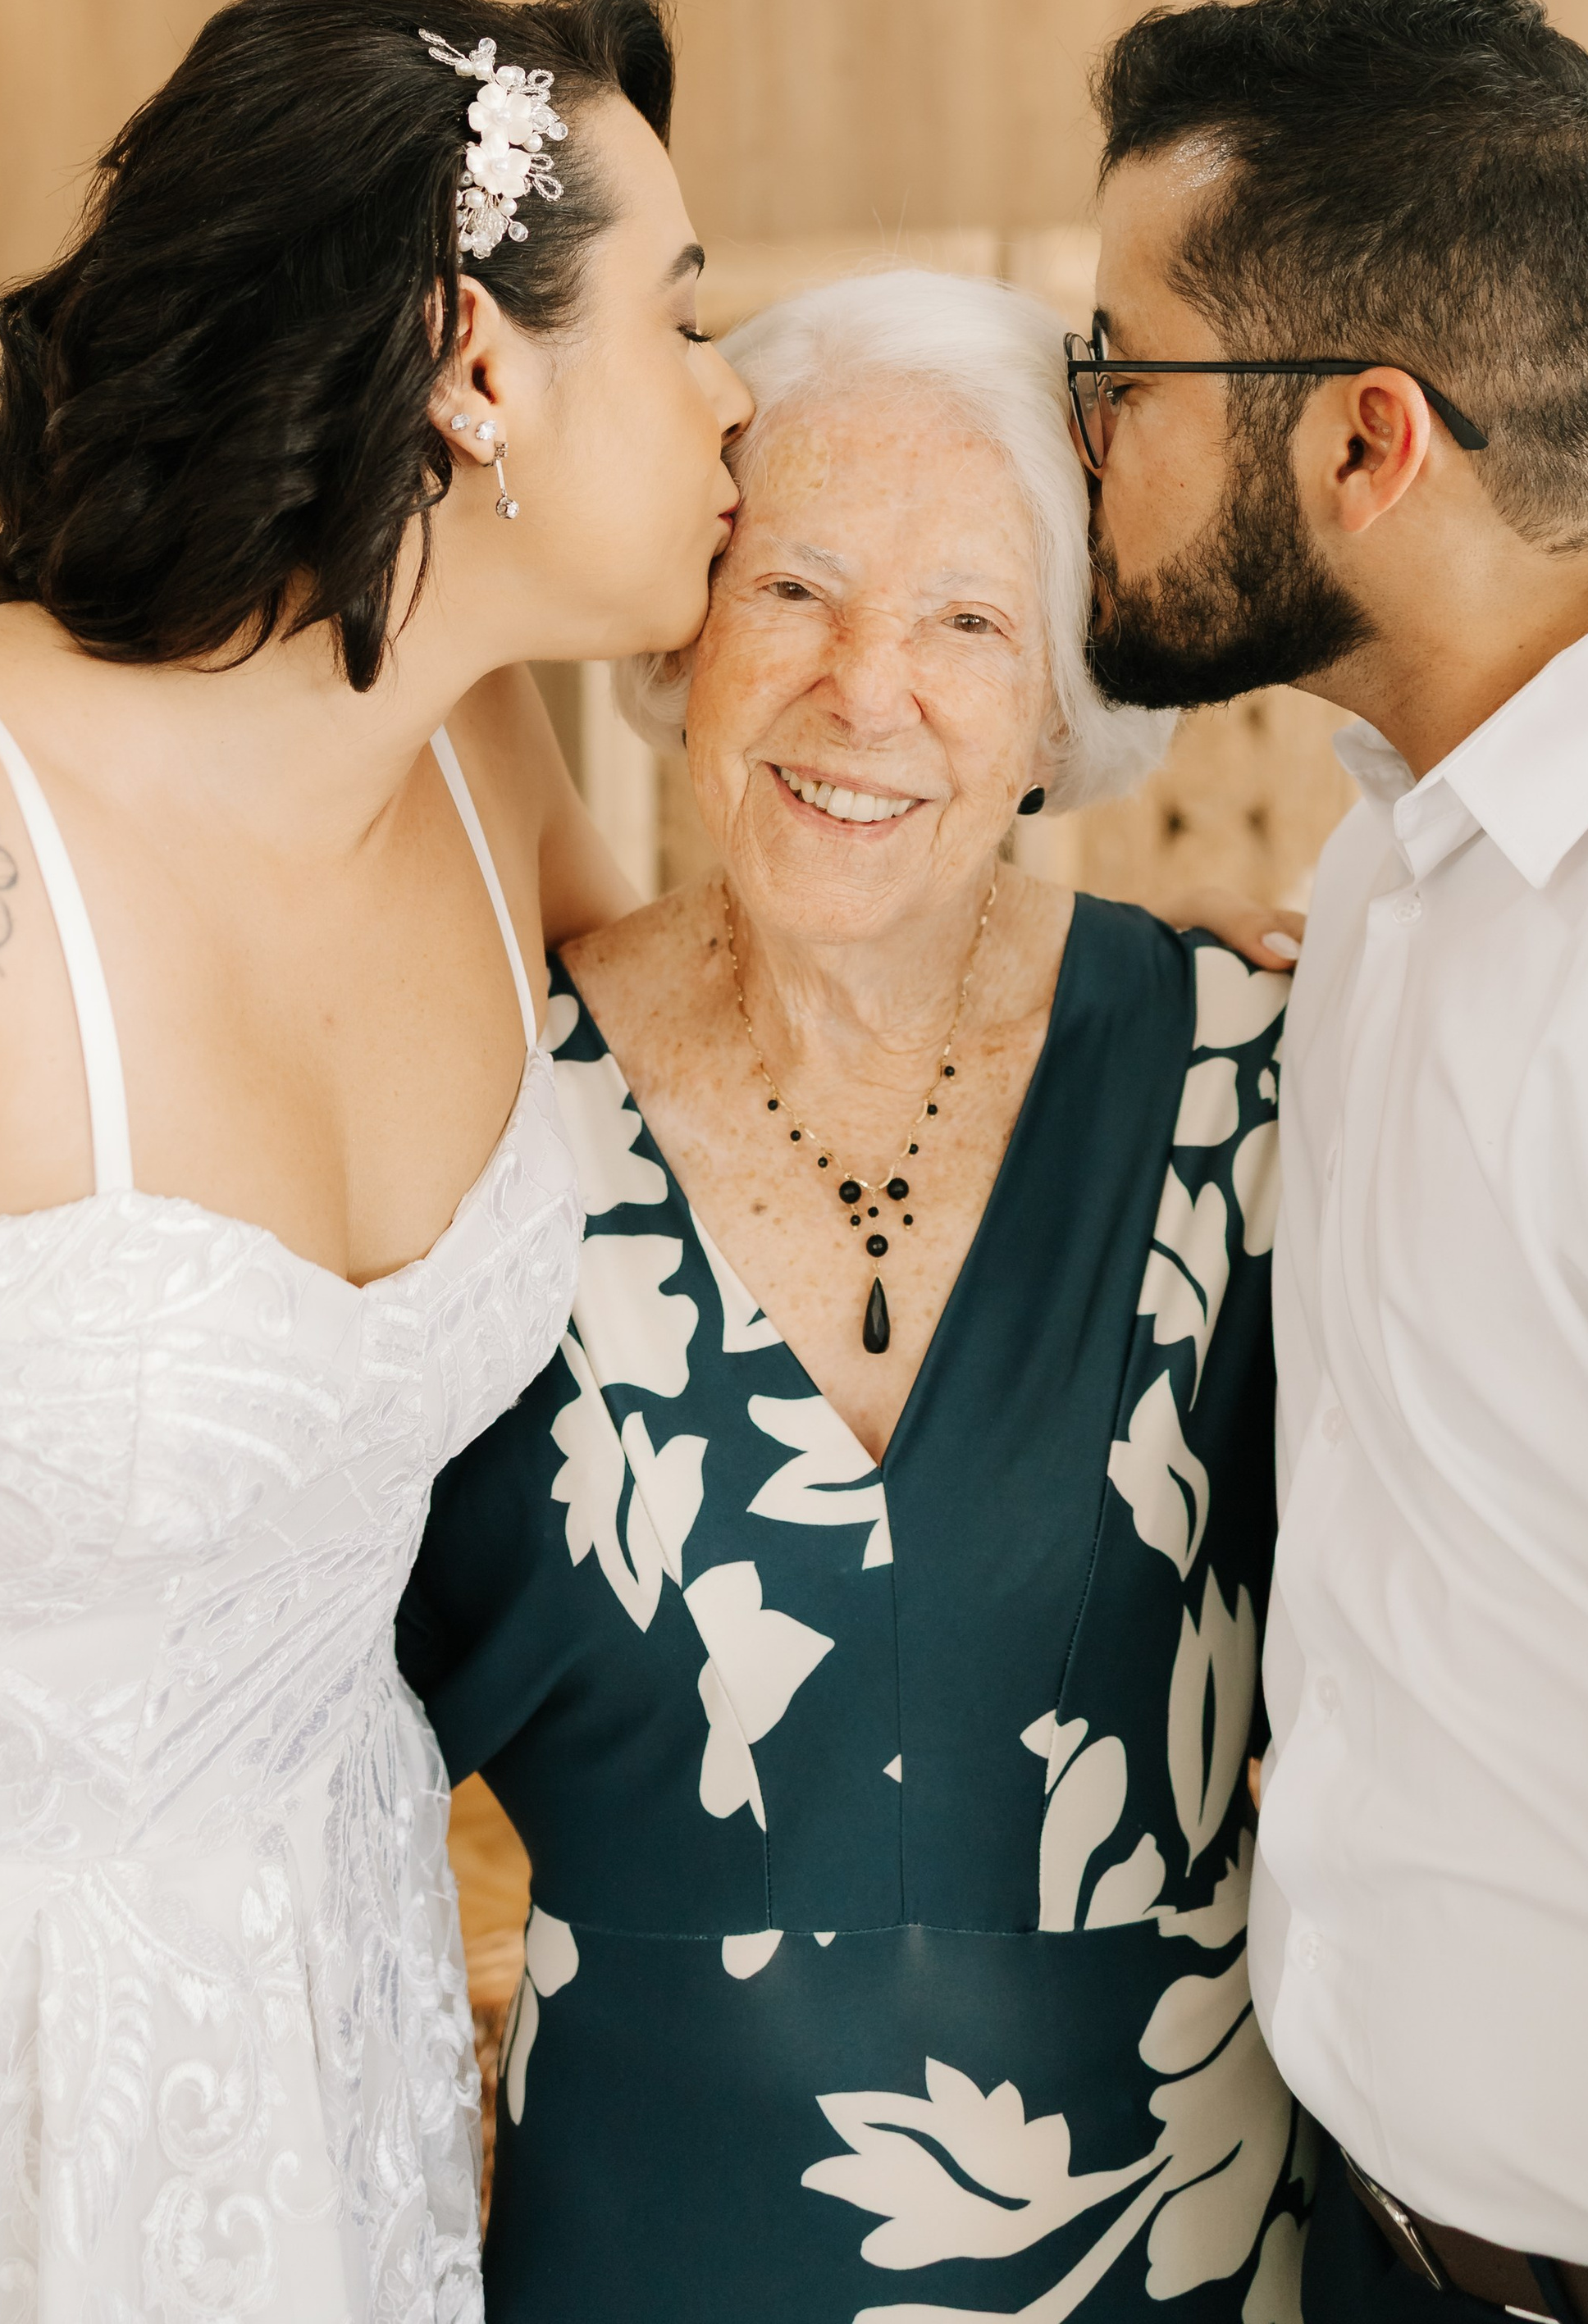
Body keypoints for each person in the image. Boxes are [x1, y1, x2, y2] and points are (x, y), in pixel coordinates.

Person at [0, 0, 748, 2322]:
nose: (740, 401)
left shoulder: (487, 760)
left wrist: (1120, 992)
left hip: (331, 2020)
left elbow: (749, 1090)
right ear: (474, 364)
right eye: (689, 316)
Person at [1078, 0, 1588, 2322]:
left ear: (1365, 443)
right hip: (1372, 2247)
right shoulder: (1409, 858)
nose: (1084, 441)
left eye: (1121, 372)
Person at [399, 267, 1316, 2323]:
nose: (863, 688)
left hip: (1178, 2237)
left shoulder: (1251, 1087)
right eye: (795, 589)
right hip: (648, 2233)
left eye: (968, 621)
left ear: (1062, 707)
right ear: (689, 636)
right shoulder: (481, 1115)